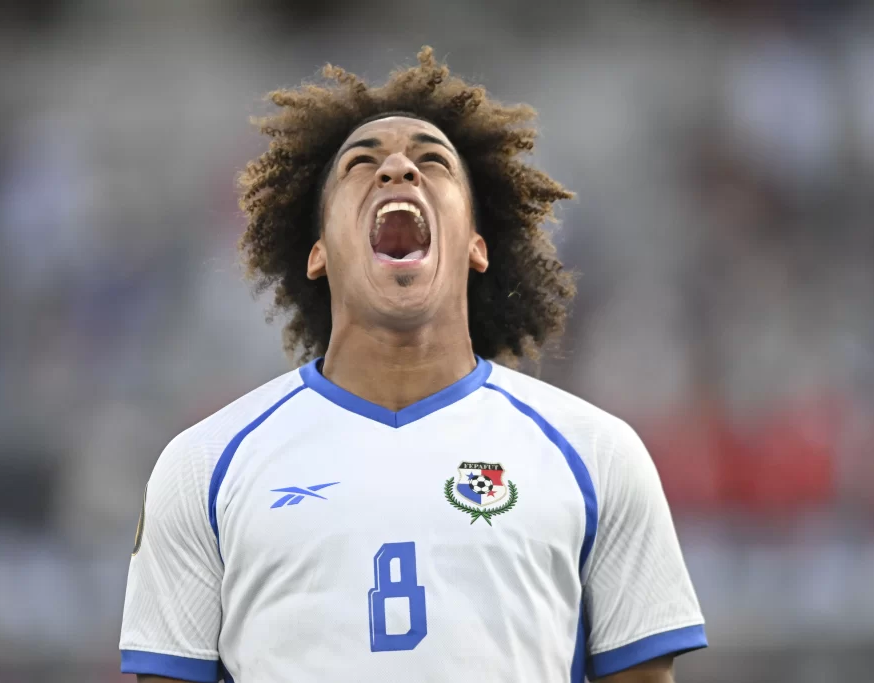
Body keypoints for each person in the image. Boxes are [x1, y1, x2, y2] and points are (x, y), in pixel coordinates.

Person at [119, 47, 706, 683]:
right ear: (317, 252)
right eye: (361, 164)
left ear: (477, 245)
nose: (398, 167)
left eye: (432, 161)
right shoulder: (203, 467)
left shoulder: (598, 456)